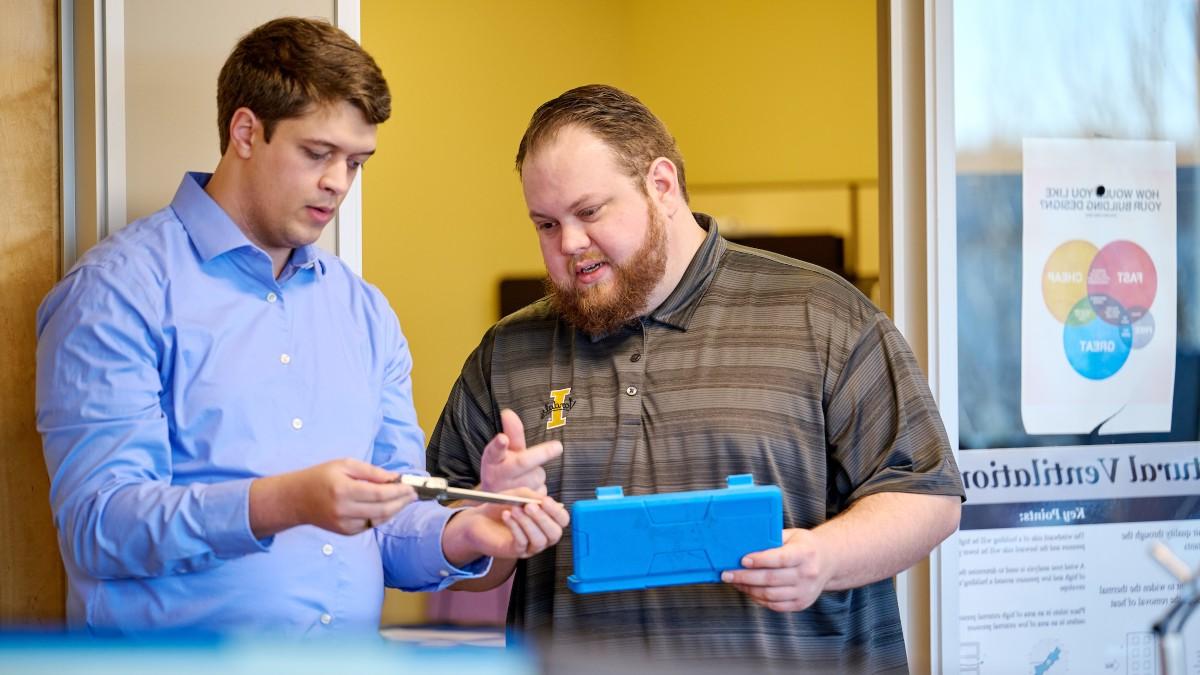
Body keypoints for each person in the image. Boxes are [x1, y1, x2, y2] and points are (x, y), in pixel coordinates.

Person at [35, 17, 566, 637]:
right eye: (318, 154)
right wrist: (282, 504)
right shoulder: (116, 292)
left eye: (357, 162)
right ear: (245, 131)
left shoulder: (364, 312)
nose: (338, 183)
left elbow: (393, 525)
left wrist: (472, 527)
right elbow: (99, 526)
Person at [425, 84, 964, 672]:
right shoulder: (509, 352)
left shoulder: (820, 313)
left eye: (588, 212)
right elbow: (436, 546)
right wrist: (485, 527)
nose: (569, 244)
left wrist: (825, 558)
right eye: (545, 224)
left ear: (661, 184)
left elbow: (926, 497)